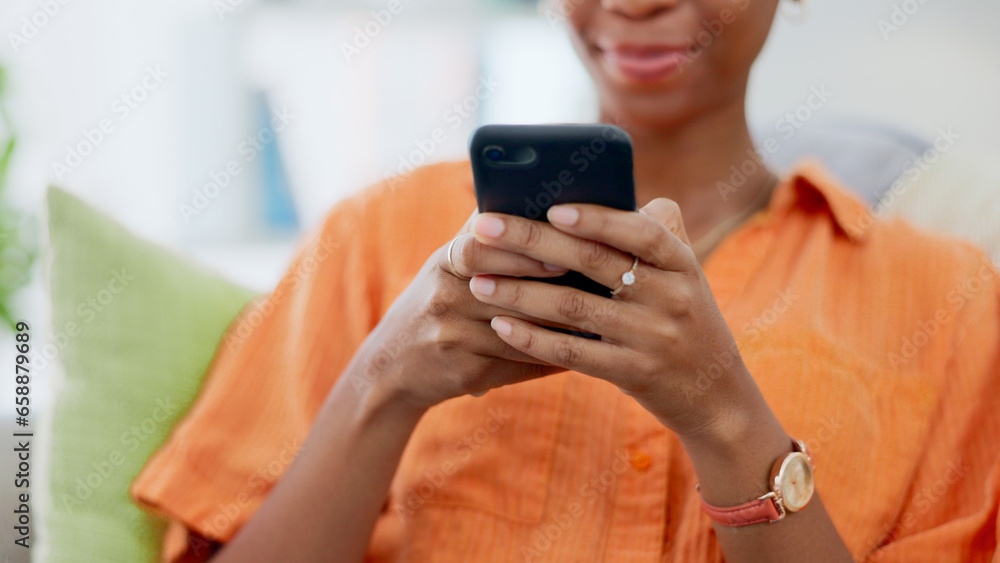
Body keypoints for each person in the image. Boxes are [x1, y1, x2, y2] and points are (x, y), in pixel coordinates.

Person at [130, 0, 1000, 561]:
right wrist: (385, 382)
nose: (634, 4)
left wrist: (724, 414)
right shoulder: (373, 238)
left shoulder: (950, 301)